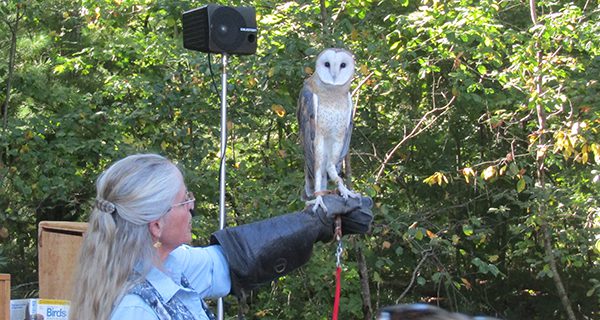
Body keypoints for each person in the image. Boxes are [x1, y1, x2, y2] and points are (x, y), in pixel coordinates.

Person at [68, 153, 373, 320]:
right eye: (184, 199)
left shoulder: (171, 266)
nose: (191, 206)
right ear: (156, 226)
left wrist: (316, 223)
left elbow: (239, 259)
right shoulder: (134, 311)